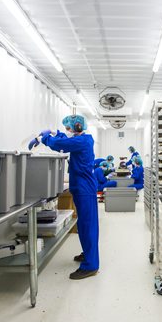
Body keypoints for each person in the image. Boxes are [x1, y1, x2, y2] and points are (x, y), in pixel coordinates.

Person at [29, 115, 99, 280]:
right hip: (81, 188)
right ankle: (88, 254)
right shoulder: (81, 139)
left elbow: (61, 145)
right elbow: (66, 140)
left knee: (88, 226)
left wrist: (44, 138)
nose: (67, 131)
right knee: (83, 225)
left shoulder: (82, 141)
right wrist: (56, 132)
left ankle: (91, 265)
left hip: (85, 189)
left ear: (77, 127)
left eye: (68, 128)